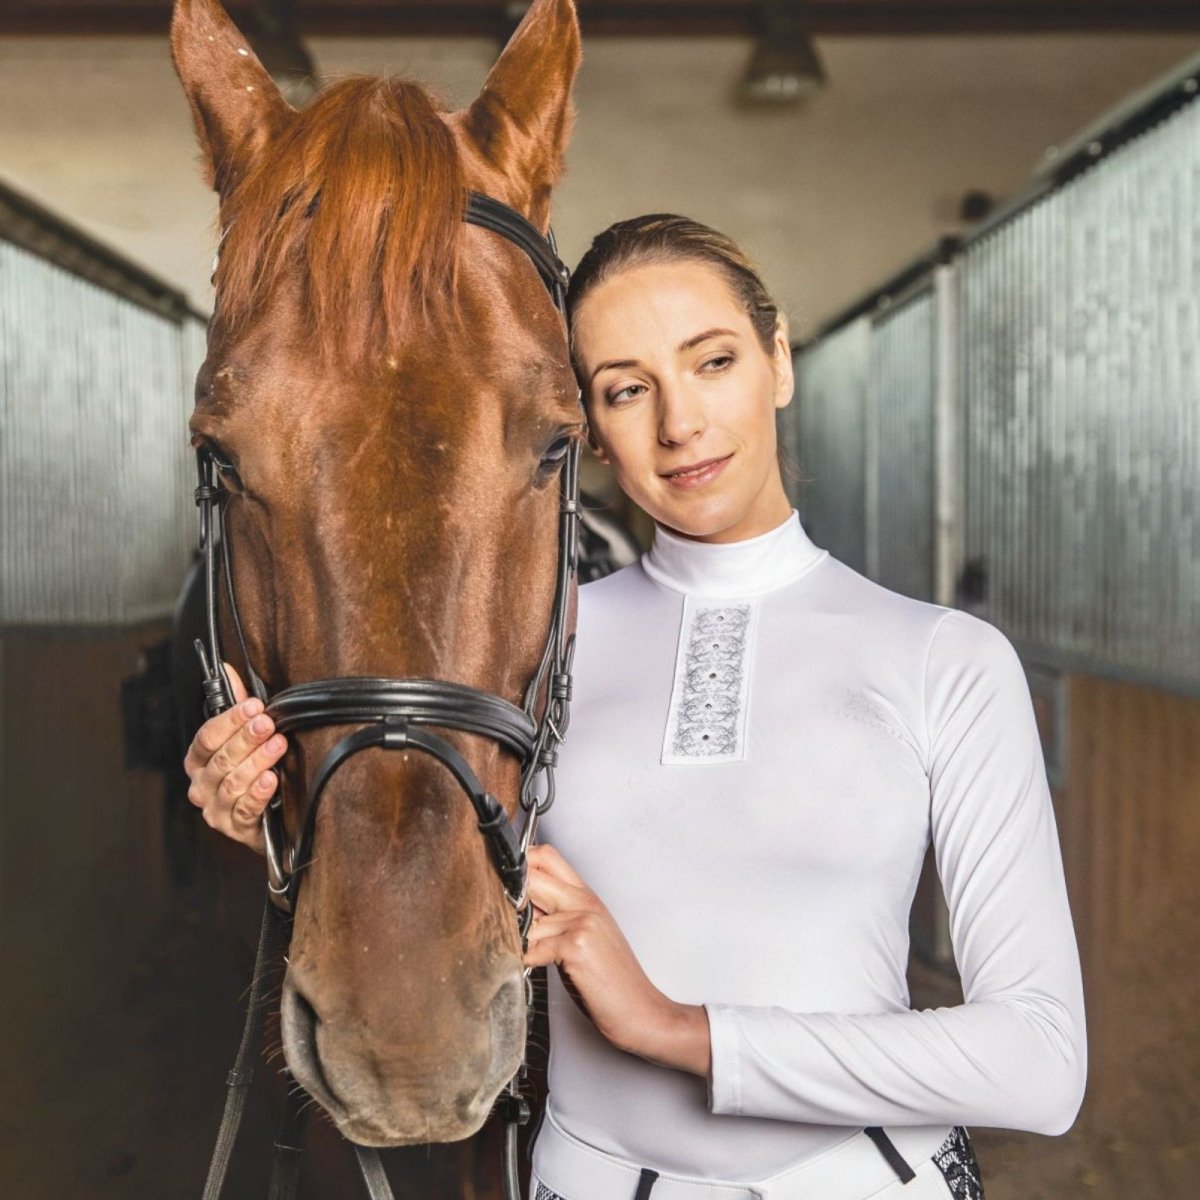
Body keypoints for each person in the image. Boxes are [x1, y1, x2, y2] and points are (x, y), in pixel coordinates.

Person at [183, 214, 1087, 1200]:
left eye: (712, 362)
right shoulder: (527, 657)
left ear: (778, 361)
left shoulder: (945, 661)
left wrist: (674, 1030)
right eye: (624, 388)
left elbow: (1040, 1063)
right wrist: (270, 819)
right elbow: (412, 869)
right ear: (585, 430)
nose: (679, 423)